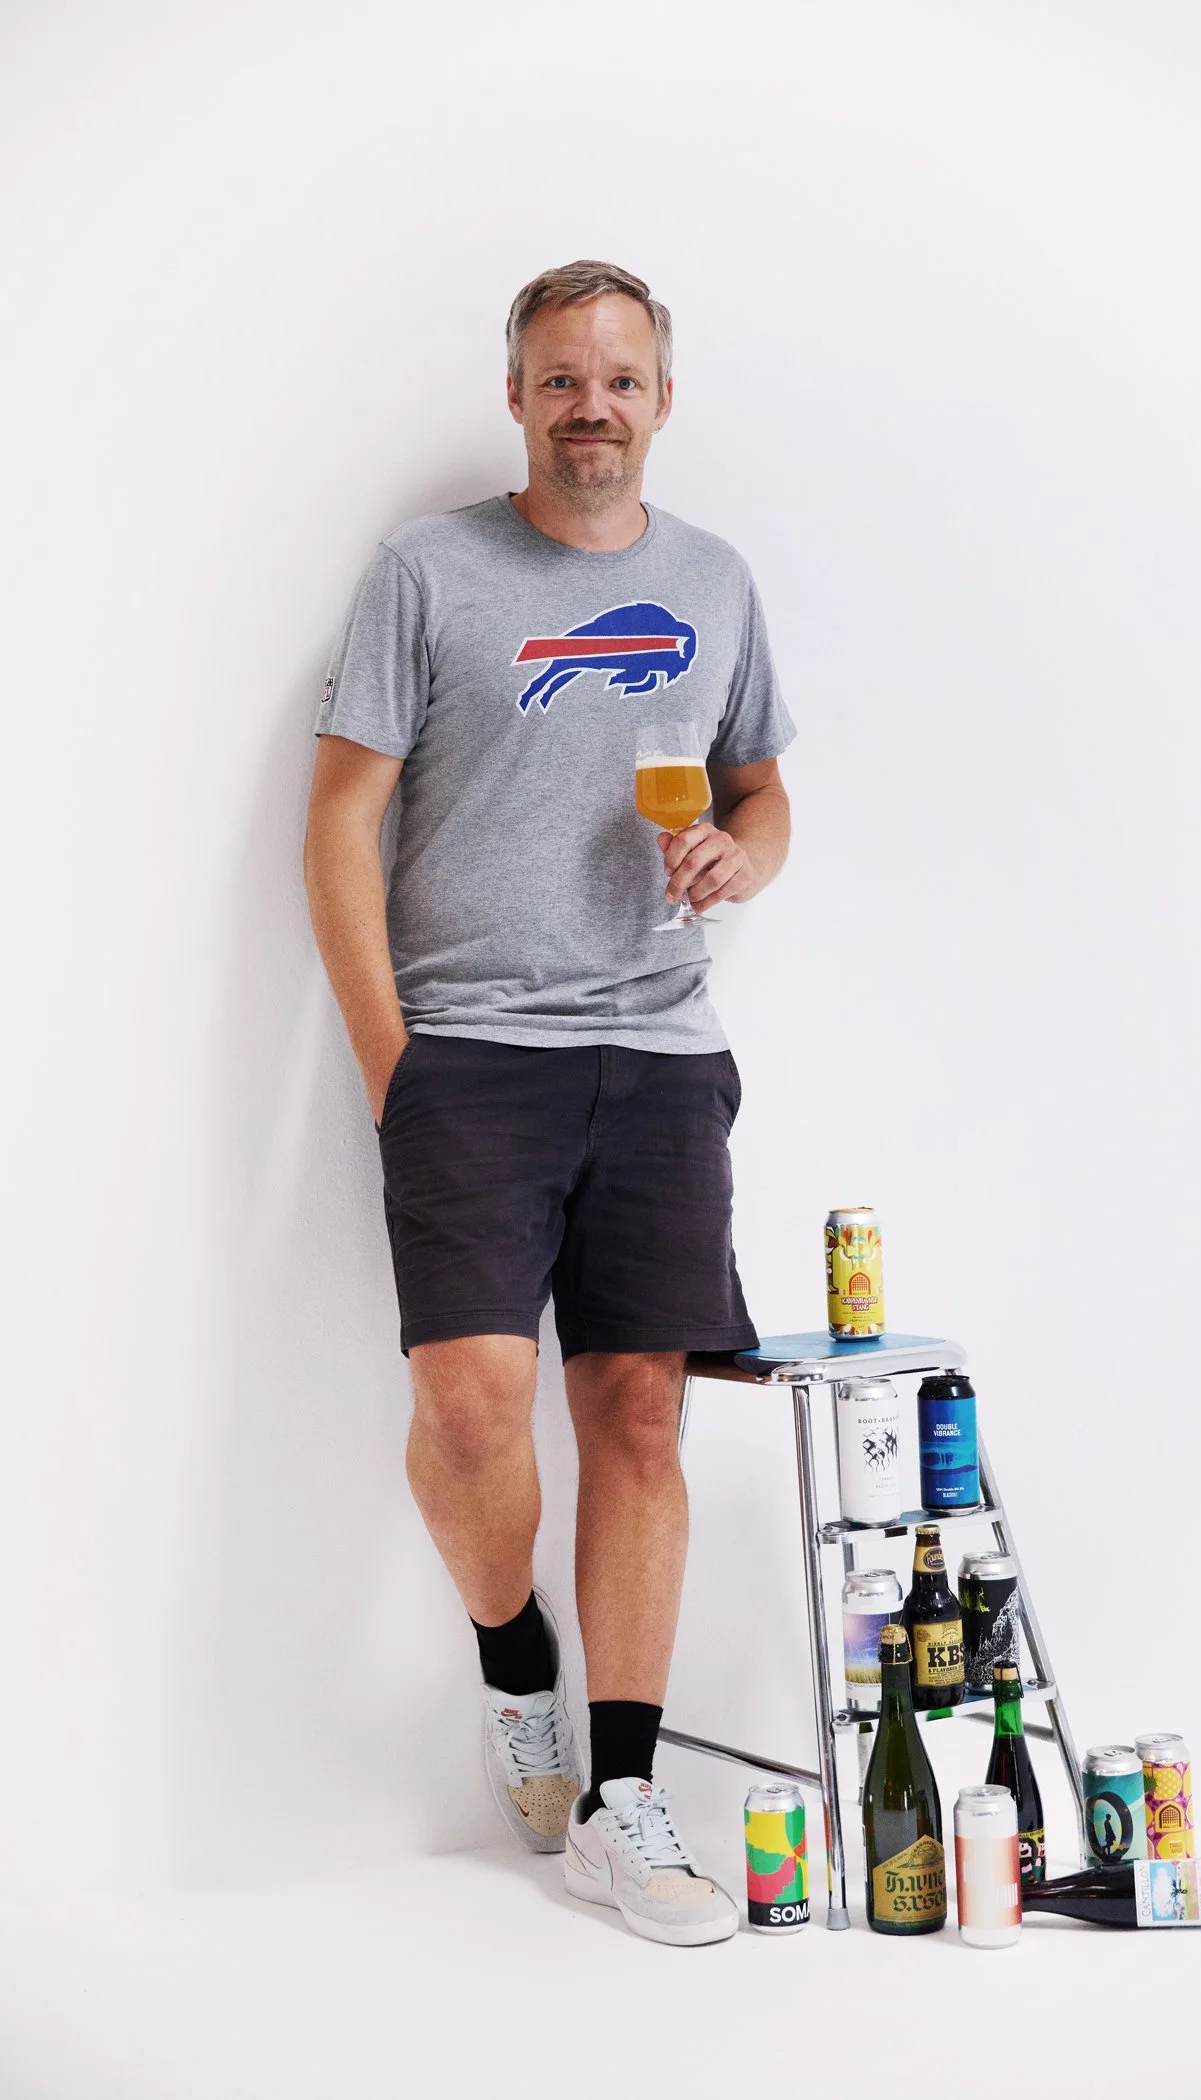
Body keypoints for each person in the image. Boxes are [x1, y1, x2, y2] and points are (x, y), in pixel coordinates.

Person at [303, 260, 793, 1946]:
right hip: (469, 1050)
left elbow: (764, 782)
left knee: (644, 1415)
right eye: (561, 377)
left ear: (664, 399)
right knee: (469, 1404)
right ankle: (517, 1658)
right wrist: (394, 1060)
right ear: (516, 395)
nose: (593, 405)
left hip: (658, 1047)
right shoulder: (430, 573)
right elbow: (338, 825)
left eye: (623, 379)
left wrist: (751, 846)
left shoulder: (715, 580)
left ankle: (622, 1794)